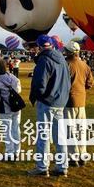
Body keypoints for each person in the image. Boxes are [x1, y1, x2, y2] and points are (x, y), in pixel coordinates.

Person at [28, 35, 71, 177]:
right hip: (60, 101)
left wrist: (38, 97)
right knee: (60, 135)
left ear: (39, 47)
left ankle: (42, 166)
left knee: (43, 135)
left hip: (47, 102)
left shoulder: (44, 60)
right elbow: (67, 81)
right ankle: (62, 166)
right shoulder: (62, 59)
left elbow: (40, 84)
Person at [64, 42, 93, 167]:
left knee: (70, 130)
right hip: (81, 100)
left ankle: (73, 156)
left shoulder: (66, 65)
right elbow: (90, 83)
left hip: (69, 101)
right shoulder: (84, 65)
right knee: (80, 130)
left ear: (69, 52)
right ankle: (82, 155)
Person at [0, 59, 22, 160]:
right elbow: (18, 90)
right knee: (16, 129)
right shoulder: (13, 77)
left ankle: (9, 153)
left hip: (5, 108)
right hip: (16, 107)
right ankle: (17, 151)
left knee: (6, 131)